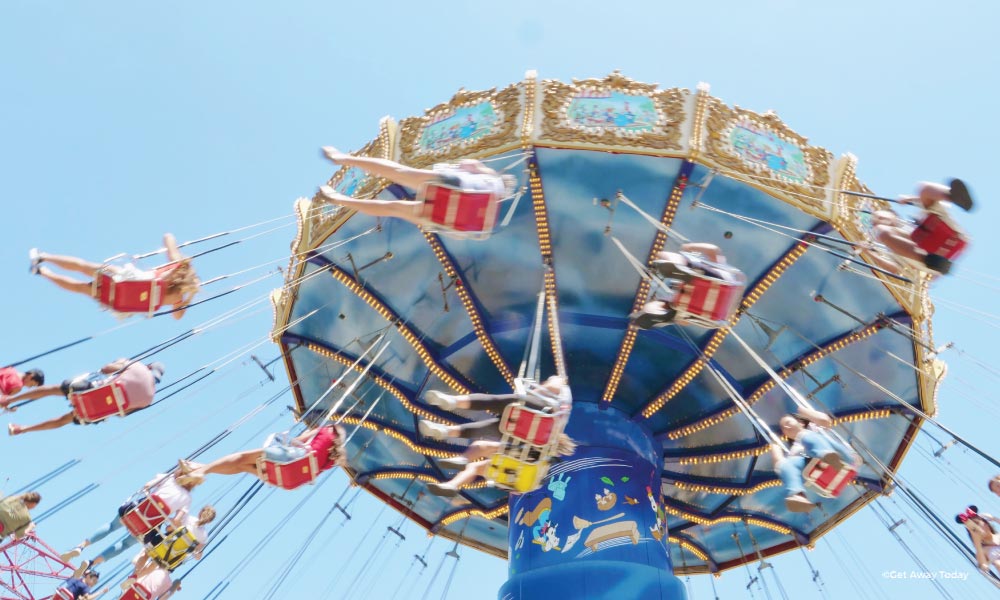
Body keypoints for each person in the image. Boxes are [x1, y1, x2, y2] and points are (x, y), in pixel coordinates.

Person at [317, 147, 517, 228]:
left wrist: (465, 165)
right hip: (449, 217)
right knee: (393, 208)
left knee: (399, 173)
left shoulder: (492, 177)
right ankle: (340, 200)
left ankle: (343, 158)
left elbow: (469, 165)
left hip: (456, 187)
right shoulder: (491, 209)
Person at [30, 233, 199, 319]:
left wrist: (182, 259)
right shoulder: (178, 298)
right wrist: (188, 298)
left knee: (83, 266)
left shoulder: (177, 266)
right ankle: (43, 272)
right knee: (79, 288)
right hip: (120, 300)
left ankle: (43, 257)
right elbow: (177, 316)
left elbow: (168, 237)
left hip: (124, 281)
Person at [61, 472, 198, 568]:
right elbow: (176, 521)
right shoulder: (187, 499)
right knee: (126, 544)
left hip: (134, 511)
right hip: (148, 527)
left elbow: (146, 486)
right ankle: (91, 563)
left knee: (111, 526)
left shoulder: (167, 478)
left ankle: (80, 547)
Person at [6, 360, 164, 436]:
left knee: (53, 389)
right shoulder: (148, 399)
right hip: (97, 412)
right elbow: (122, 414)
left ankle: (9, 400)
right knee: (63, 420)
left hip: (91, 390)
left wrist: (119, 364)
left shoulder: (138, 366)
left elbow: (106, 368)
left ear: (149, 366)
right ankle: (23, 429)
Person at [176, 424, 347, 486]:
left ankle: (201, 470)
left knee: (242, 457)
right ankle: (199, 468)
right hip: (289, 480)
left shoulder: (325, 430)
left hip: (292, 458)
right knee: (242, 466)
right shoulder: (333, 459)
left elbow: (296, 440)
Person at [417, 375, 572, 443]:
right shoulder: (557, 430)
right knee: (488, 429)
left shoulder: (562, 386)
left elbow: (550, 387)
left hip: (541, 413)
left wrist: (531, 391)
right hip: (529, 435)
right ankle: (445, 432)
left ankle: (453, 401)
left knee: (494, 401)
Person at [868, 180, 973, 276]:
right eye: (875, 221)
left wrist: (910, 199)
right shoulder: (891, 244)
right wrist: (868, 252)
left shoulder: (922, 216)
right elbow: (894, 269)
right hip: (930, 257)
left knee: (924, 188)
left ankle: (953, 196)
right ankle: (933, 261)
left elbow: (927, 198)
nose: (878, 219)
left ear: (894, 214)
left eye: (880, 215)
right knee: (883, 232)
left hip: (950, 235)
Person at [66, 505, 215, 573]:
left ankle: (81, 546)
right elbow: (197, 555)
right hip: (169, 556)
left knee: (113, 528)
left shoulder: (188, 517)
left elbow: (170, 528)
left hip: (144, 520)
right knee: (151, 558)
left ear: (201, 512)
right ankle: (135, 576)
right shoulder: (204, 536)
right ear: (209, 521)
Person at [630, 242, 743, 329]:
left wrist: (689, 246)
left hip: (710, 281)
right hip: (699, 303)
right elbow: (684, 322)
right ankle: (652, 312)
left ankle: (674, 263)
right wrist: (679, 318)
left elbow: (713, 249)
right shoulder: (719, 316)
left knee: (683, 260)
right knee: (668, 306)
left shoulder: (725, 273)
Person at [769, 407, 859, 513]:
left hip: (842, 457)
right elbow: (779, 465)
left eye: (788, 422)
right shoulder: (793, 451)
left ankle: (827, 455)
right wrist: (774, 444)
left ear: (801, 422)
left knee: (804, 435)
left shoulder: (813, 428)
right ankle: (797, 495)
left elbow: (825, 420)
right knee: (785, 464)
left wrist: (802, 410)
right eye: (783, 427)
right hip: (820, 470)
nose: (786, 427)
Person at [957, 506, 1000, 575]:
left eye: (979, 525)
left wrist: (994, 518)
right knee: (998, 563)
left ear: (986, 524)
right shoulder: (982, 550)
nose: (979, 530)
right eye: (975, 530)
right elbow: (982, 565)